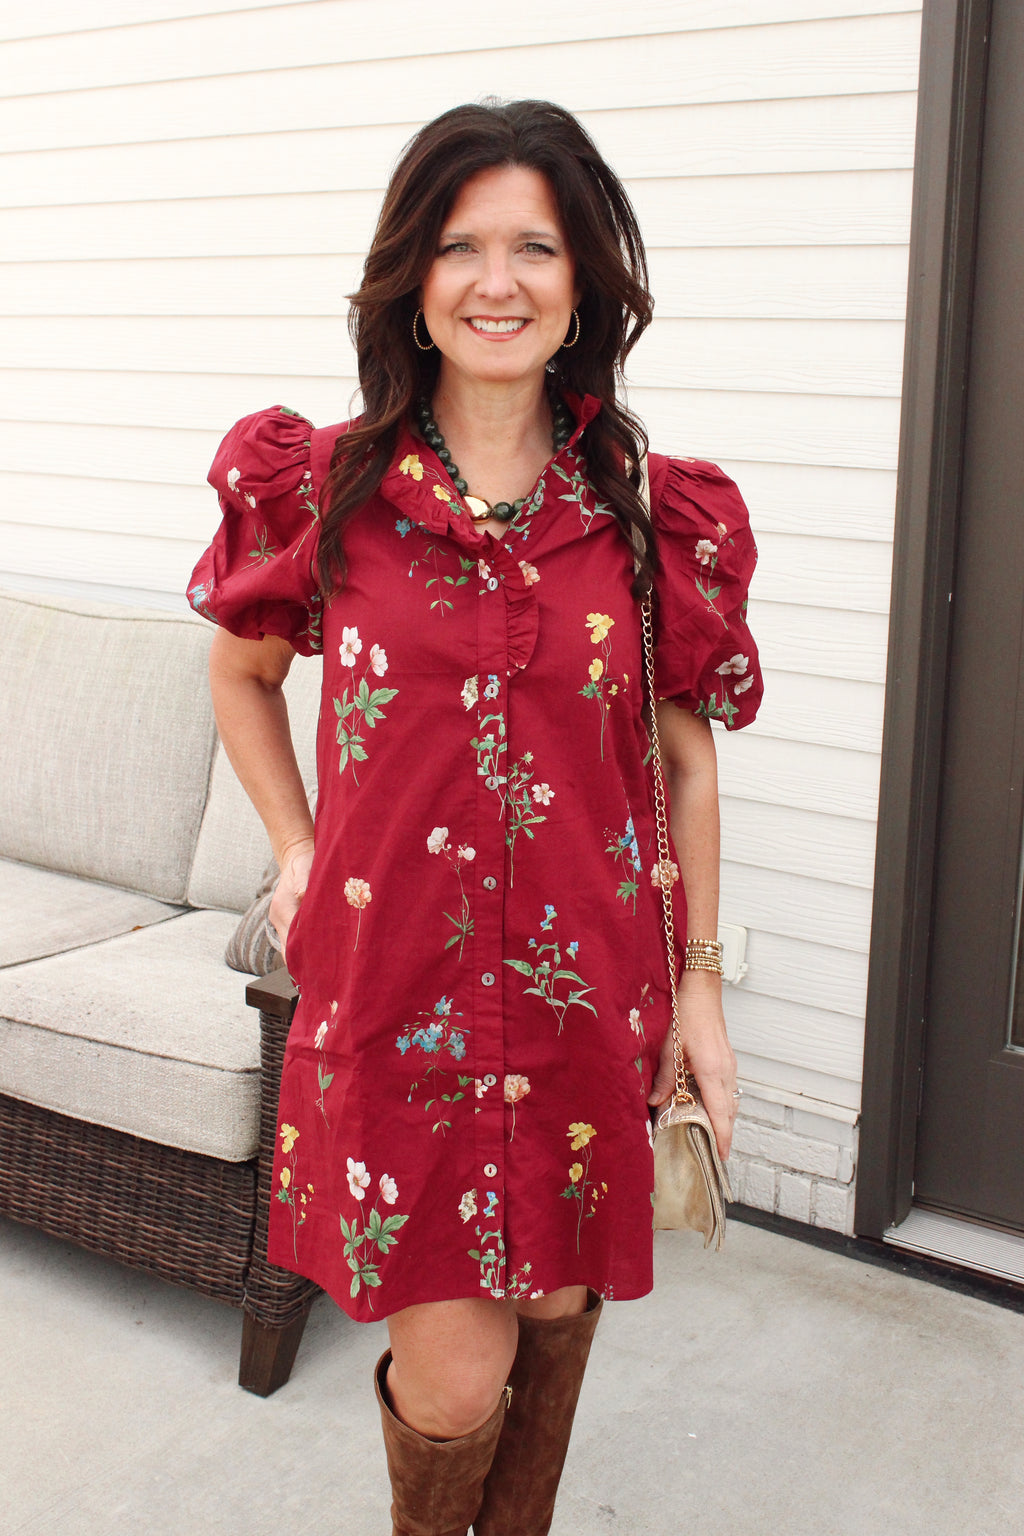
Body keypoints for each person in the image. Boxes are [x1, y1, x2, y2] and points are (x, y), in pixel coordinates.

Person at [188, 98, 762, 1536]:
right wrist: (299, 848)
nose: (496, 281)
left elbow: (684, 766)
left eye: (534, 247)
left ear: (582, 287)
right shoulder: (325, 493)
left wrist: (697, 994)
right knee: (451, 1380)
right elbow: (242, 673)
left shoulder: (640, 514)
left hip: (586, 1005)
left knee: (558, 1306)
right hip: (397, 1015)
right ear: (412, 277)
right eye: (460, 246)